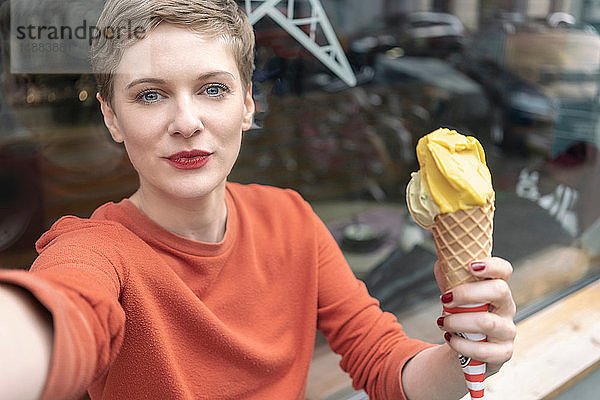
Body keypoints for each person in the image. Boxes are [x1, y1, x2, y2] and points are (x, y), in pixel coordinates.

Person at [0, 1, 516, 399]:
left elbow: (381, 359)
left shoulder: (289, 219)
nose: (186, 122)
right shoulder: (94, 251)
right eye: (150, 95)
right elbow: (60, 312)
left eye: (212, 89)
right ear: (112, 117)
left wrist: (467, 359)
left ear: (247, 104)